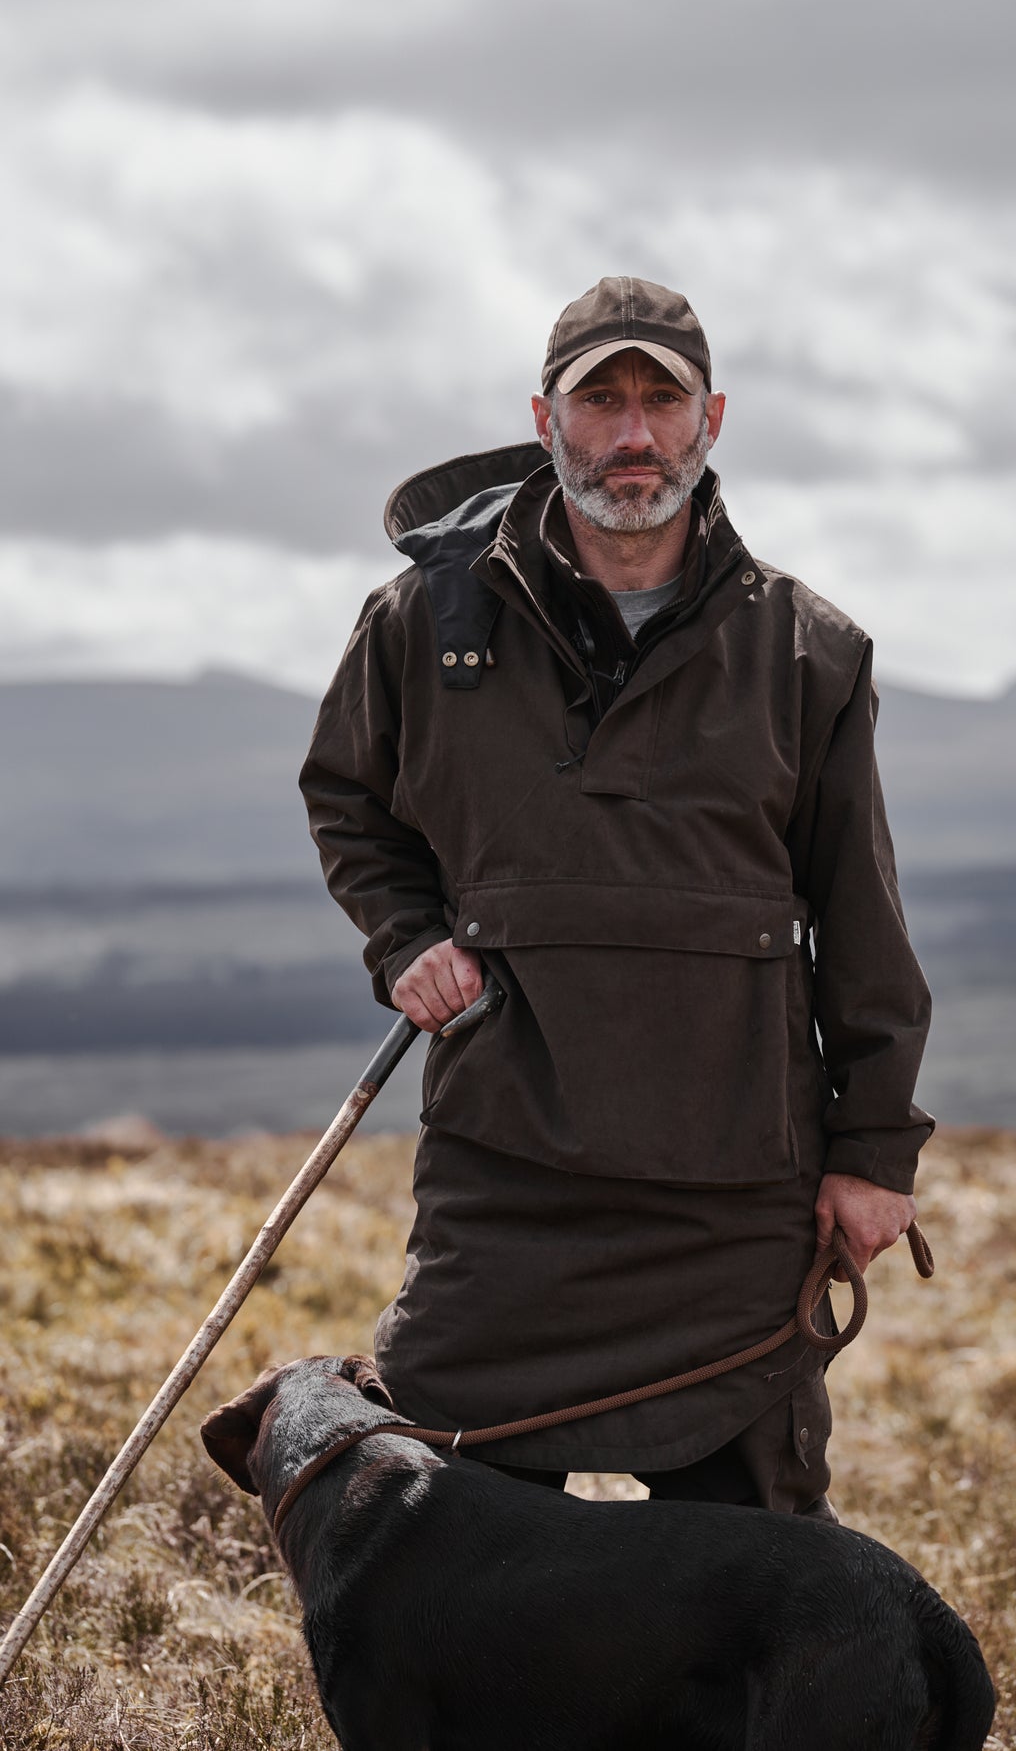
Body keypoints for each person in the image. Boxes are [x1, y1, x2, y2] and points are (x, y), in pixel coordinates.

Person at [299, 276, 932, 1514]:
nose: (632, 435)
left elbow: (859, 916)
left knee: (748, 1557)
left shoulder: (806, 650)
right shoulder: (421, 625)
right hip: (506, 1172)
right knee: (452, 1539)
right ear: (545, 420)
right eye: (600, 402)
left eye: (661, 401)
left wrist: (871, 1150)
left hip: (734, 1185)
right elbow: (348, 800)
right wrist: (405, 937)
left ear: (711, 420)